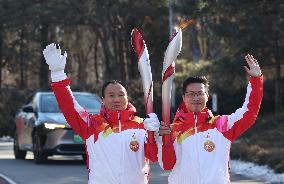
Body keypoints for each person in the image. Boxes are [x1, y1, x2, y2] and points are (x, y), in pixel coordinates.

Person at [43, 43, 160, 184]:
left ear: (127, 98)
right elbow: (69, 106)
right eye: (111, 95)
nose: (116, 99)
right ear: (103, 100)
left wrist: (156, 135)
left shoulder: (142, 125)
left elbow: (154, 157)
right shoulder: (91, 125)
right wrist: (58, 75)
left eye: (121, 95)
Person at [157, 54, 263, 184]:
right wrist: (163, 140)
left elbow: (249, 112)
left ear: (207, 96)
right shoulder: (171, 130)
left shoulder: (222, 125)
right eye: (191, 94)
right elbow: (167, 165)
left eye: (200, 94)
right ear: (184, 98)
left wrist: (256, 80)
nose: (196, 98)